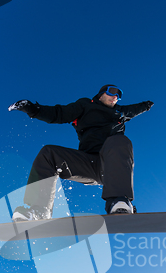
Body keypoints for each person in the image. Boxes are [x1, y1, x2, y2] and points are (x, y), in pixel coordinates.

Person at [8, 85, 154, 221]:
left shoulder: (120, 112)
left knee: (119, 141)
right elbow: (60, 113)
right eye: (112, 92)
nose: (115, 97)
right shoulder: (85, 105)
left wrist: (146, 105)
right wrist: (33, 109)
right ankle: (39, 210)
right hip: (88, 163)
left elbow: (135, 109)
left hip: (112, 165)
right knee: (48, 153)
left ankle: (119, 201)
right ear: (101, 94)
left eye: (118, 96)